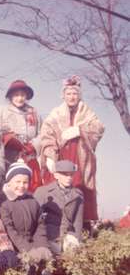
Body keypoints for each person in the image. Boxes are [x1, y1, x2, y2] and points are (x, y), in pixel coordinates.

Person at [0, 161, 64, 275]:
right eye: (17, 182)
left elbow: (40, 225)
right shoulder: (4, 202)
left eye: (25, 182)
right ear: (9, 182)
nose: (21, 185)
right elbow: (9, 230)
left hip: (32, 242)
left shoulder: (32, 201)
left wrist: (41, 245)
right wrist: (27, 249)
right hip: (15, 246)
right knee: (27, 263)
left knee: (48, 255)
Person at [40, 75, 105, 222]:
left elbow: (99, 128)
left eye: (75, 93)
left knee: (80, 186)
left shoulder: (87, 112)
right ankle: (55, 221)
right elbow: (47, 133)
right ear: (63, 95)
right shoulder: (56, 113)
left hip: (81, 157)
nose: (72, 97)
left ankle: (84, 223)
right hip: (62, 156)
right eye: (68, 94)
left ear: (79, 95)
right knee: (58, 185)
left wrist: (80, 130)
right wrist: (50, 154)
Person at [0, 79, 42, 191]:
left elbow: (42, 133)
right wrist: (8, 139)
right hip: (9, 158)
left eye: (22, 95)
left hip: (28, 158)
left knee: (29, 187)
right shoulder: (1, 110)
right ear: (10, 96)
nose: (20, 98)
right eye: (16, 95)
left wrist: (33, 145)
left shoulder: (33, 112)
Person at [34, 160, 84, 254]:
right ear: (56, 175)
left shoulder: (78, 195)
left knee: (75, 255)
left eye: (71, 174)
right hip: (48, 235)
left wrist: (77, 240)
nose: (69, 178)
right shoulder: (43, 192)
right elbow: (34, 219)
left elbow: (78, 222)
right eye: (65, 174)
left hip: (68, 235)